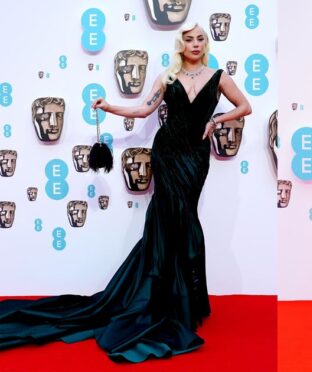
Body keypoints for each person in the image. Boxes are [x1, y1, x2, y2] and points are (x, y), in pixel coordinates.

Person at [0, 22, 251, 363]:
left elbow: (245, 106)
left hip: (195, 157)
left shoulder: (219, 77)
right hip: (167, 154)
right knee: (166, 220)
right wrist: (109, 107)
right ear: (181, 44)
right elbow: (143, 110)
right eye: (189, 39)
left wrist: (217, 122)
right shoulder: (168, 76)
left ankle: (183, 301)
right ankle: (164, 299)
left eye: (200, 39)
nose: (195, 43)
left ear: (206, 44)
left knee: (186, 219)